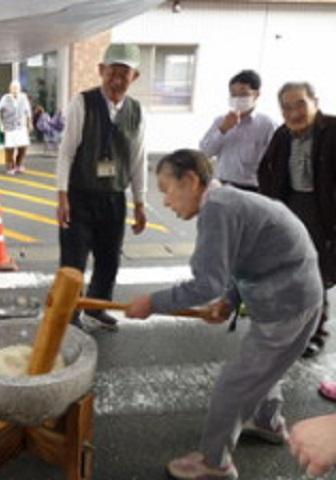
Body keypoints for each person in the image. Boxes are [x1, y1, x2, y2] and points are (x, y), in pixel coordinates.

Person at [126, 149, 323, 480]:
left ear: (190, 180)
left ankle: (215, 462)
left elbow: (206, 283)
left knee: (233, 386)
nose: (166, 202)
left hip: (286, 303)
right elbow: (244, 255)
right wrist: (230, 300)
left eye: (166, 189)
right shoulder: (227, 201)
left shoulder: (217, 209)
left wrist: (152, 303)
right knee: (266, 367)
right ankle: (267, 421)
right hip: (298, 295)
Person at [56, 42, 147, 330]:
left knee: (109, 258)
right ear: (101, 71)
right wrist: (62, 196)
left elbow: (138, 159)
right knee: (74, 260)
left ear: (135, 77)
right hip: (79, 195)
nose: (117, 80)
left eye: (125, 74)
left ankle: (97, 305)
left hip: (114, 197)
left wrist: (140, 203)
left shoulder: (137, 111)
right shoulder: (81, 103)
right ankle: (70, 313)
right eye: (112, 72)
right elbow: (66, 152)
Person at [258, 81, 336, 358]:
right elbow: (265, 171)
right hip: (290, 208)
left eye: (300, 103)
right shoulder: (282, 135)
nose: (294, 112)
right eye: (287, 107)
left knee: (315, 276)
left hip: (323, 210)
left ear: (315, 101)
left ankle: (316, 334)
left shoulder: (332, 130)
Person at [199, 69, 277, 191]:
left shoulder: (267, 125)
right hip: (222, 184)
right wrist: (223, 129)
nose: (237, 99)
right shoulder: (221, 121)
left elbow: (275, 160)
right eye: (233, 95)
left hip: (253, 187)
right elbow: (205, 152)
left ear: (256, 95)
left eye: (243, 94)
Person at [0, 80, 32, 174]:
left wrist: (30, 123)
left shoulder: (23, 97)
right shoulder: (5, 98)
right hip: (9, 126)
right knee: (10, 148)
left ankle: (19, 164)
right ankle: (10, 166)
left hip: (21, 126)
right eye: (13, 88)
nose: (15, 90)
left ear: (20, 89)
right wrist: (1, 124)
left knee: (24, 146)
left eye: (16, 88)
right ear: (10, 89)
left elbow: (28, 111)